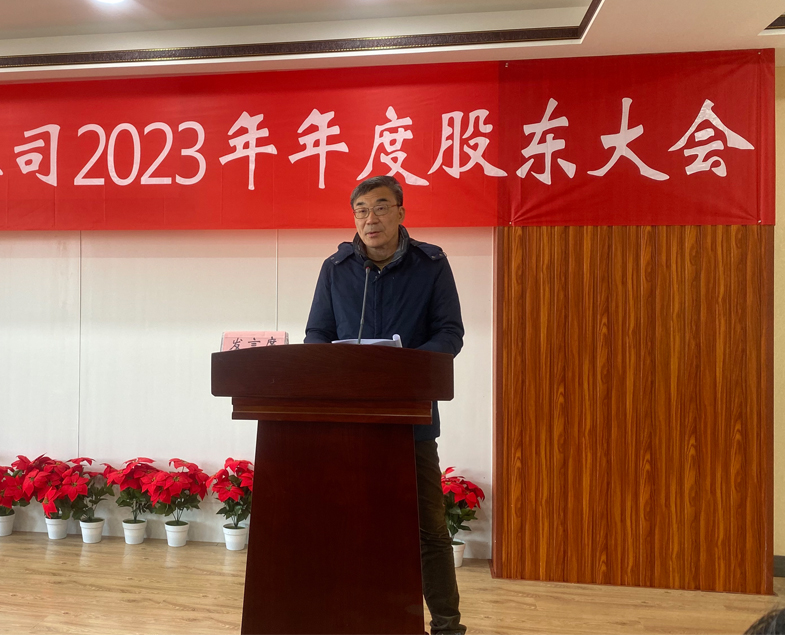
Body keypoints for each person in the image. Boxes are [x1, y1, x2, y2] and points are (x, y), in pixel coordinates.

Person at [304, 175, 466, 635]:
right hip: (349, 419)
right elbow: (317, 332)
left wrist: (405, 367)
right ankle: (356, 617)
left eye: (379, 207)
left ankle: (447, 625)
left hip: (411, 415)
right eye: (361, 210)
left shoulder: (430, 265)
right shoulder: (336, 268)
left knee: (429, 527)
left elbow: (450, 332)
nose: (369, 218)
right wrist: (331, 365)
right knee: (352, 524)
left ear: (400, 213)